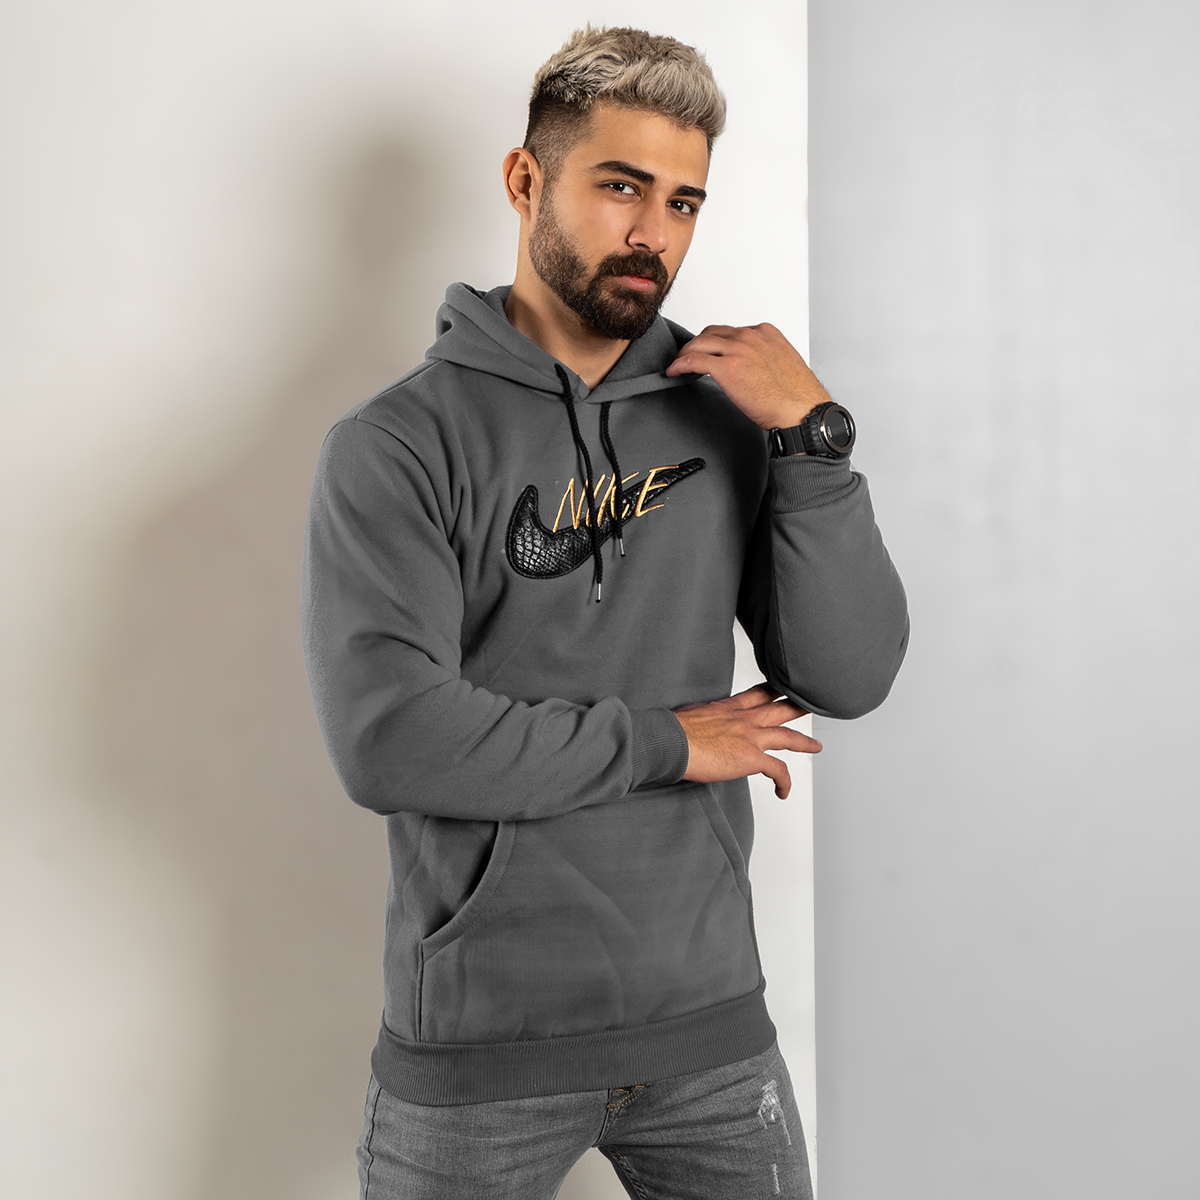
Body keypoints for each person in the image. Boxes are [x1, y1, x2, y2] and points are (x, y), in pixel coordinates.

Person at [302, 25, 908, 1200]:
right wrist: (669, 742)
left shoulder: (730, 420)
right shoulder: (398, 445)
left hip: (710, 1036)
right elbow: (391, 738)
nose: (654, 234)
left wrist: (815, 443)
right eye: (621, 187)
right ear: (526, 180)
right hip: (478, 1055)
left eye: (683, 202)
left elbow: (850, 675)